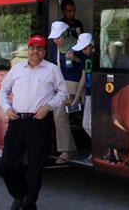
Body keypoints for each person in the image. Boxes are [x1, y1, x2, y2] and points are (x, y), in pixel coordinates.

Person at [0, 35, 67, 210]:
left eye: (39, 48)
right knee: (7, 165)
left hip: (39, 123)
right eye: (32, 48)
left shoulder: (52, 69)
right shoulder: (17, 69)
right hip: (17, 121)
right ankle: (19, 194)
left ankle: (29, 205)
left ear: (44, 51)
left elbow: (63, 93)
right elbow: (3, 91)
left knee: (35, 167)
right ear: (27, 50)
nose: (35, 51)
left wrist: (49, 107)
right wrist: (6, 107)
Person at [45, 21, 78, 163]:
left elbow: (86, 67)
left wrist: (75, 58)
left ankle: (66, 150)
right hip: (60, 86)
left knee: (58, 110)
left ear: (65, 35)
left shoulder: (77, 45)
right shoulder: (54, 49)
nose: (56, 41)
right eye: (54, 38)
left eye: (59, 37)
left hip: (75, 87)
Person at [70, 33, 94, 139]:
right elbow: (83, 78)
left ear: (92, 45)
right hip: (89, 93)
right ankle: (97, 149)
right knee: (86, 124)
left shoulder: (100, 58)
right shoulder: (85, 58)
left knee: (90, 124)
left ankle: (98, 150)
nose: (83, 52)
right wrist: (76, 98)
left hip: (98, 94)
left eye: (84, 49)